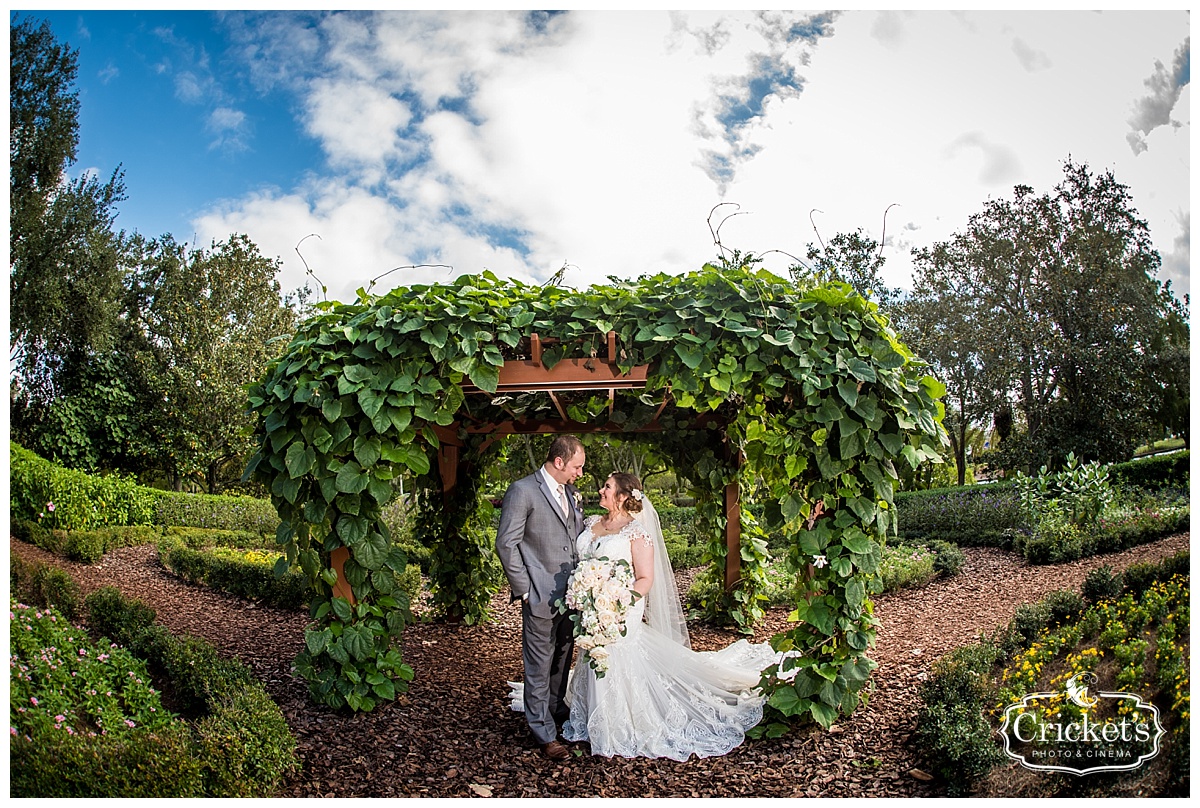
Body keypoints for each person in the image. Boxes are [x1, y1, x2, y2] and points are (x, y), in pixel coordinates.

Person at [531, 471, 794, 761]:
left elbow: (644, 578)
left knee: (613, 653)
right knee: (593, 652)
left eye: (607, 487)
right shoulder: (592, 523)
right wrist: (586, 593)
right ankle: (592, 716)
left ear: (621, 496)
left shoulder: (637, 532)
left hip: (620, 607)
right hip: (590, 605)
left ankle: (619, 721)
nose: (601, 490)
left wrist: (617, 601)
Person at [495, 435, 586, 761]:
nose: (579, 473)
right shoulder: (522, 491)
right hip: (538, 596)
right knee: (538, 665)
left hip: (573, 597)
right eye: (576, 466)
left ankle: (553, 710)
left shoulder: (570, 492)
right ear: (559, 462)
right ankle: (543, 733)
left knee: (562, 658)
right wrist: (525, 590)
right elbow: (506, 543)